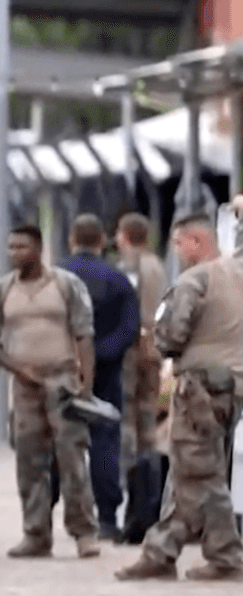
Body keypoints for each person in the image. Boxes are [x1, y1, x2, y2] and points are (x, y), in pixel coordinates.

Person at [116, 214, 243, 582]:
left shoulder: (195, 280)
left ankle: (225, 554)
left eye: (179, 243)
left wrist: (160, 345)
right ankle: (165, 548)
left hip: (200, 388)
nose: (176, 251)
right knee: (190, 468)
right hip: (232, 386)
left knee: (201, 471)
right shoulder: (235, 275)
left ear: (196, 243)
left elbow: (170, 335)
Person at [0, 223, 101, 560]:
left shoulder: (66, 285)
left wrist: (86, 386)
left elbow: (84, 334)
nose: (15, 253)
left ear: (39, 248)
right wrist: (19, 368)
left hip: (63, 381)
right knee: (29, 461)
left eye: (22, 247)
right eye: (11, 247)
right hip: (25, 387)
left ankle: (84, 532)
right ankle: (36, 533)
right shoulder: (1, 291)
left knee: (72, 458)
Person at [57, 215, 139, 539]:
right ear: (102, 241)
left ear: (71, 239)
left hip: (61, 372)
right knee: (105, 441)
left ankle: (42, 521)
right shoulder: (118, 279)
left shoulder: (56, 277)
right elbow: (131, 327)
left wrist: (72, 357)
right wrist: (104, 354)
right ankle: (106, 519)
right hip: (107, 373)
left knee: (57, 444)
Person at [116, 212, 168, 540]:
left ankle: (136, 501)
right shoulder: (158, 264)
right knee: (151, 425)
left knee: (129, 426)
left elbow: (128, 309)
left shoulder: (131, 265)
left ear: (124, 236)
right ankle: (154, 496)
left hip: (134, 350)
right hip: (156, 348)